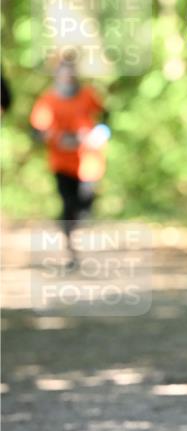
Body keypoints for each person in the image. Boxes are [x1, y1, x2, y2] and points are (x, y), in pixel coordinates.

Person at [30, 49, 109, 268]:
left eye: (71, 73)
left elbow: (105, 118)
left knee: (84, 207)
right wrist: (49, 136)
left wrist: (100, 133)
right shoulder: (48, 100)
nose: (68, 77)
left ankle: (75, 231)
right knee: (68, 204)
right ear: (57, 75)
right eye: (63, 73)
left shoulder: (89, 95)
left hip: (89, 164)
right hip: (62, 163)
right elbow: (36, 130)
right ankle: (71, 248)